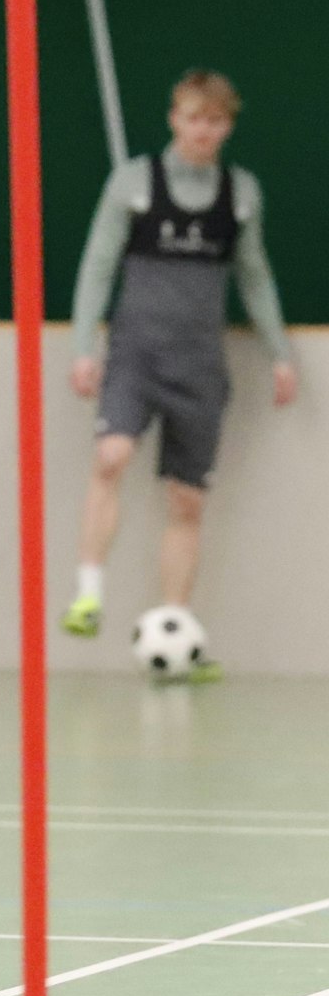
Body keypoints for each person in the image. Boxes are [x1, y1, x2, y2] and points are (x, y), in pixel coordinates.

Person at [60, 69, 297, 674]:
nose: (203, 130)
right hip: (137, 352)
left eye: (215, 121)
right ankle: (88, 593)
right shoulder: (135, 182)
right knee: (111, 455)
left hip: (201, 364)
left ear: (227, 126)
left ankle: (178, 625)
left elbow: (255, 275)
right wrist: (85, 346)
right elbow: (97, 266)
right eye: (193, 117)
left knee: (187, 500)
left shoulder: (239, 193)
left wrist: (280, 354)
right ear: (175, 118)